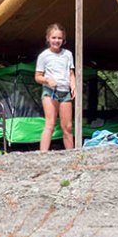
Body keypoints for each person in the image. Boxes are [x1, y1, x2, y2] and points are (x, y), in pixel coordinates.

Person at [35, 23, 75, 151]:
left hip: (65, 92)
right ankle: (43, 154)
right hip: (50, 92)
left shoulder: (68, 54)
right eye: (54, 38)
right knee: (50, 123)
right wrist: (47, 80)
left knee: (67, 126)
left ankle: (71, 154)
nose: (56, 41)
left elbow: (71, 73)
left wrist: (74, 86)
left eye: (59, 38)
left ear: (63, 40)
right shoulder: (44, 56)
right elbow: (37, 77)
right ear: (48, 38)